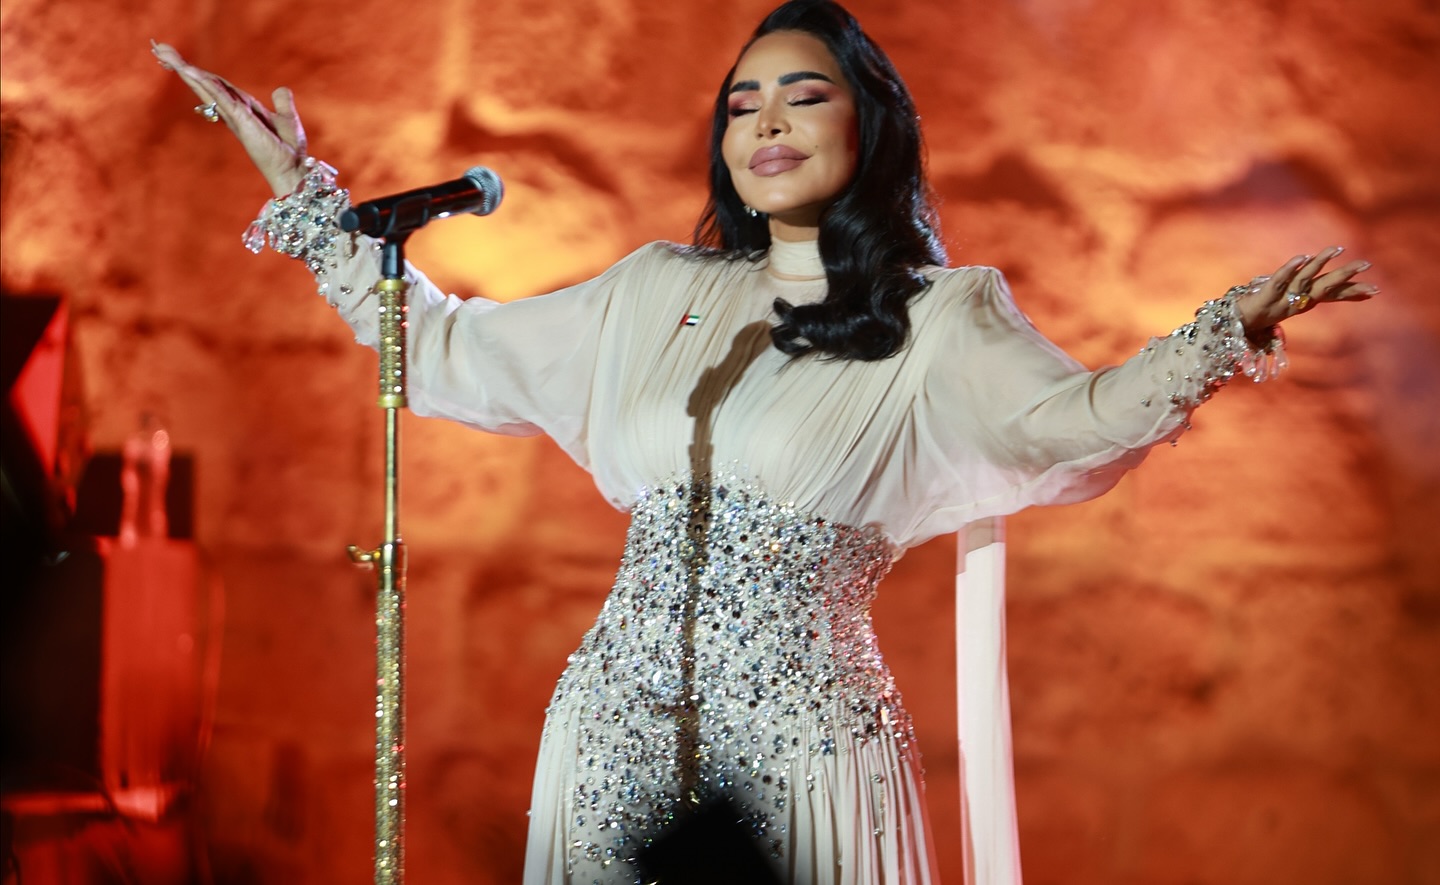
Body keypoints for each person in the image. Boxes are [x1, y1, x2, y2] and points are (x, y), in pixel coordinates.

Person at [153, 1, 1375, 882]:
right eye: (743, 104)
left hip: (801, 747)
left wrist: (1222, 332)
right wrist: (308, 199)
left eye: (804, 95)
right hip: (610, 731)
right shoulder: (652, 290)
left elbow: (1080, 421)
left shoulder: (939, 316)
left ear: (869, 127)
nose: (766, 122)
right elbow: (440, 351)